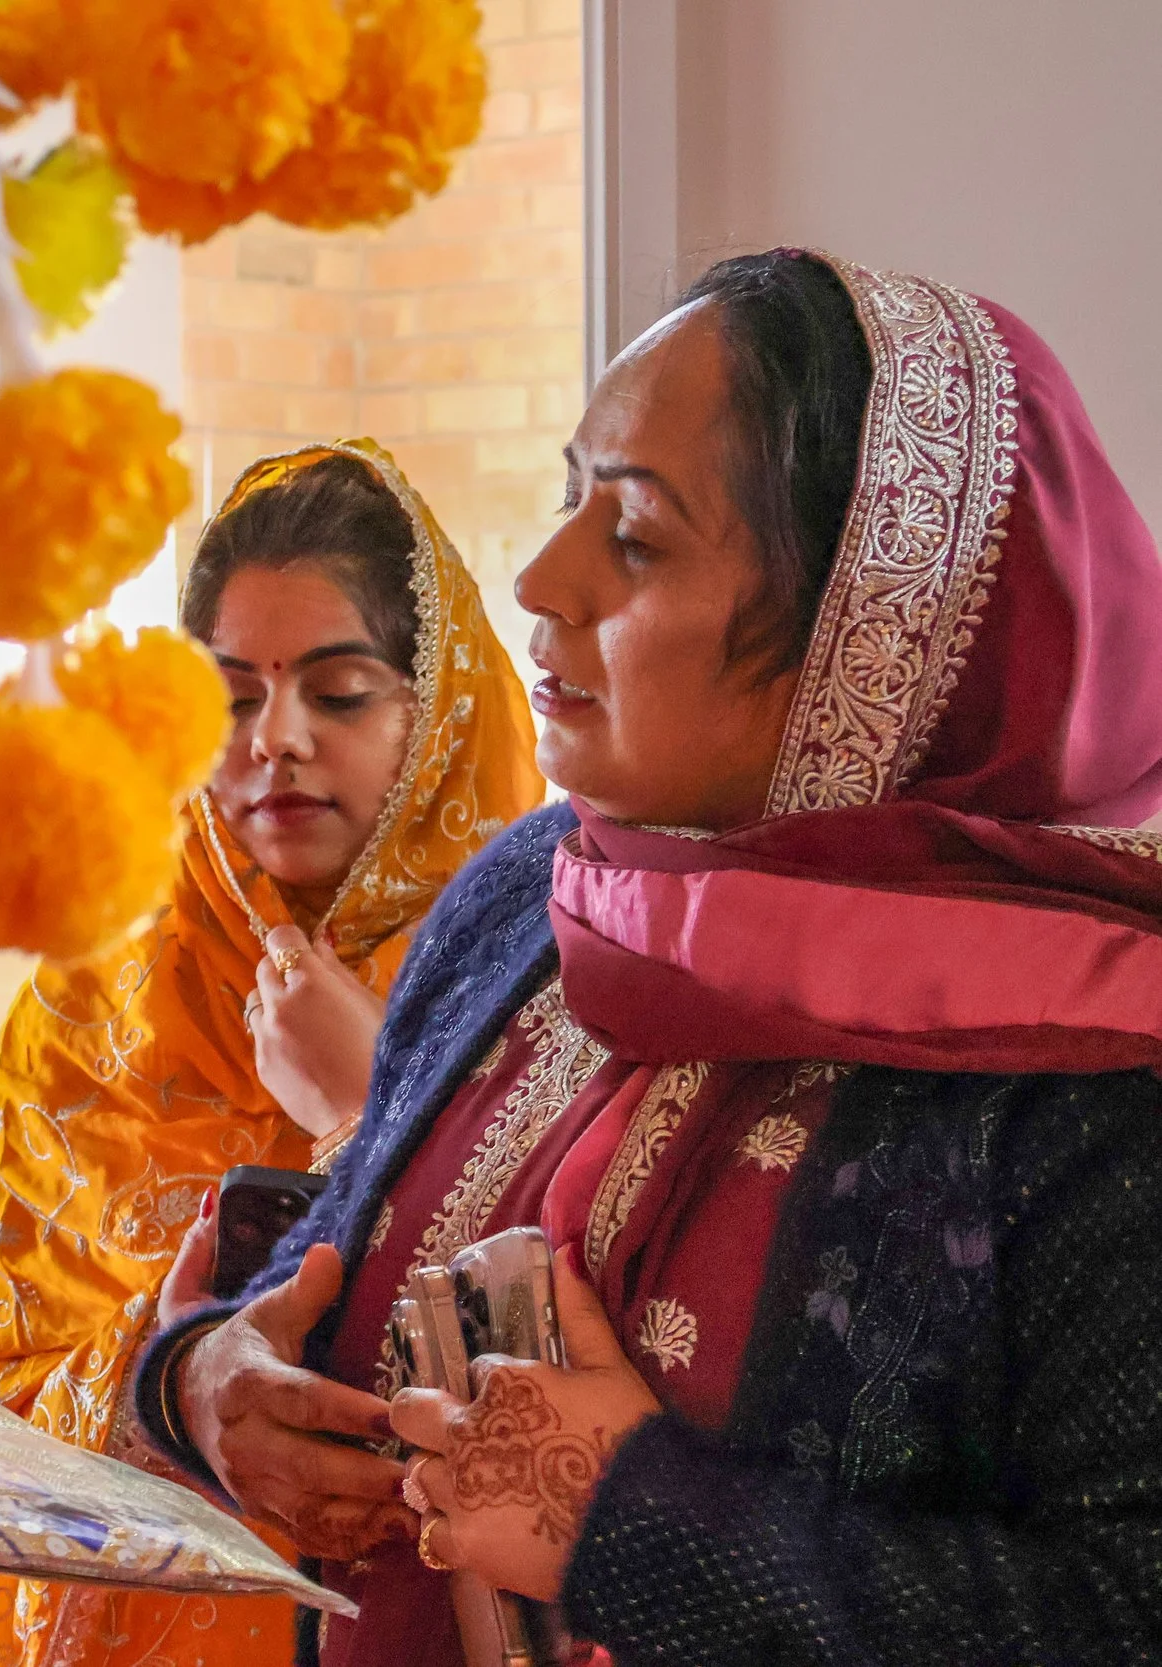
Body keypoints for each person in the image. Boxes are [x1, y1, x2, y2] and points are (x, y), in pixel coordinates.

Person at [134, 248, 1162, 1665]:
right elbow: (331, 1265)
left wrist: (623, 1520)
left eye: (637, 535)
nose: (539, 575)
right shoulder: (533, 897)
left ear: (874, 624)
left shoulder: (1094, 1069)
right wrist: (206, 1380)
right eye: (571, 496)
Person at [0, 442, 543, 1667]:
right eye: (234, 697)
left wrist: (376, 1109)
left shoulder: (549, 967)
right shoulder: (101, 997)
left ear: (439, 708)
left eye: (341, 690)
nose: (278, 741)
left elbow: (607, 1375)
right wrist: (176, 1381)